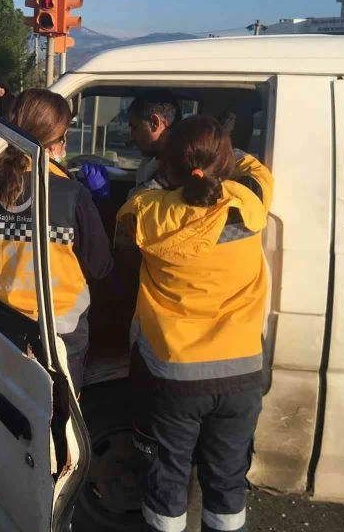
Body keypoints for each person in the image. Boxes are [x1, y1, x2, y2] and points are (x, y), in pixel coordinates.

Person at [116, 115, 273, 532]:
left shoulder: (146, 211)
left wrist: (168, 171)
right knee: (227, 484)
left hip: (174, 375)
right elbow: (255, 168)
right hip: (241, 374)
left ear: (169, 164)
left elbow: (130, 221)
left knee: (167, 479)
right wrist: (222, 153)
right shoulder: (250, 202)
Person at [0, 89, 113, 393]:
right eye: (64, 136)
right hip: (59, 336)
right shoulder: (72, 195)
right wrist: (101, 205)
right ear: (54, 143)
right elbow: (100, 267)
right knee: (56, 415)